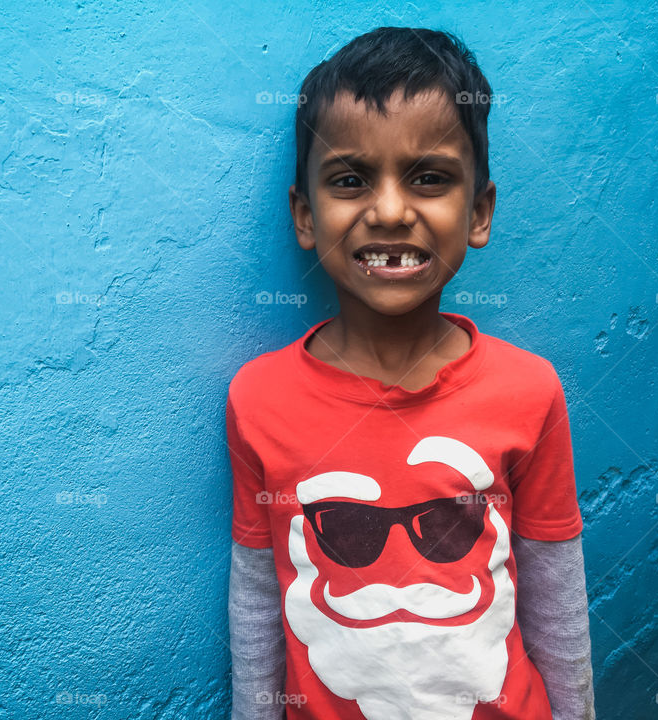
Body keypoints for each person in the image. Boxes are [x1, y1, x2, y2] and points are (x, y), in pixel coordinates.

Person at [226, 26, 596, 720]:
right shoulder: (258, 398)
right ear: (305, 216)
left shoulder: (530, 391)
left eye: (429, 178)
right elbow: (257, 606)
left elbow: (557, 607)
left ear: (478, 213)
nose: (390, 211)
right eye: (349, 180)